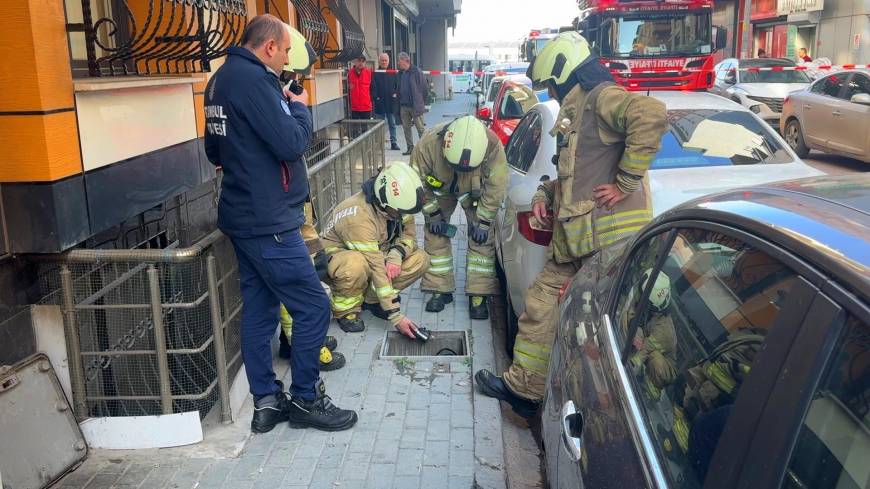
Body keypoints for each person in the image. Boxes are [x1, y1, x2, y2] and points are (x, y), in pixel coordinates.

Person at [475, 31, 667, 418]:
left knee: (617, 328)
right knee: (541, 304)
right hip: (577, 243)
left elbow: (652, 116)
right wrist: (546, 197)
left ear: (565, 74)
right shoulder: (579, 111)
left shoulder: (601, 98)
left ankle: (631, 411)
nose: (552, 93)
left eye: (552, 85)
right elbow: (573, 175)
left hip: (609, 244)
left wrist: (625, 183)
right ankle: (525, 390)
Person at [203, 14, 357, 433]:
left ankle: (266, 403)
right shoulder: (254, 82)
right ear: (269, 46)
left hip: (243, 215)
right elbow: (292, 142)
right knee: (313, 305)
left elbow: (213, 150)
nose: (288, 58)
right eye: (286, 50)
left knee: (259, 310)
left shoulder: (219, 81)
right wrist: (299, 108)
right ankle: (306, 399)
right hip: (268, 220)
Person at [412, 115, 508, 320]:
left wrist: (483, 221)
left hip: (474, 191)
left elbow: (496, 186)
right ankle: (440, 289)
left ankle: (478, 295)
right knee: (434, 233)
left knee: (481, 238)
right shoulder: (427, 145)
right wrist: (432, 214)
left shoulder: (491, 145)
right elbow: (416, 184)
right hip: (439, 190)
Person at [320, 161, 429, 336]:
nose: (403, 217)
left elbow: (409, 237)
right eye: (398, 213)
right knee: (355, 264)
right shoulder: (358, 215)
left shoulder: (398, 204)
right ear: (382, 202)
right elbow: (376, 266)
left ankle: (372, 301)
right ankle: (346, 311)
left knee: (420, 259)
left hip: (373, 252)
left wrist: (396, 254)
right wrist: (396, 316)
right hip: (338, 259)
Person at [277, 202, 345, 371]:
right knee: (297, 291)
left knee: (312, 278)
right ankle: (306, 350)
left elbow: (305, 227)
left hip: (295, 216)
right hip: (282, 225)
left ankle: (298, 343)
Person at [397, 52, 427, 155]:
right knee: (406, 129)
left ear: (406, 60)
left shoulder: (416, 72)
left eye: (399, 60)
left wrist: (420, 102)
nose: (398, 63)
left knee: (420, 129)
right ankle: (410, 148)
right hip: (404, 106)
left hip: (415, 106)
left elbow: (424, 88)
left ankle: (424, 150)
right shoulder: (401, 73)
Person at [372, 52, 400, 150]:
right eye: (382, 60)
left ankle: (394, 143)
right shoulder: (375, 73)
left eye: (385, 60)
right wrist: (376, 98)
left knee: (392, 124)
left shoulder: (393, 72)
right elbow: (373, 87)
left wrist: (396, 94)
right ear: (379, 61)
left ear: (388, 61)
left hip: (390, 103)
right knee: (379, 125)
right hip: (380, 103)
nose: (384, 62)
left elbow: (397, 85)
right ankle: (380, 144)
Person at [348, 55, 373, 119]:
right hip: (354, 108)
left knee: (365, 129)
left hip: (366, 107)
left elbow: (372, 89)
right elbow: (348, 90)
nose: (361, 63)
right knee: (355, 128)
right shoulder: (350, 73)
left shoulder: (369, 73)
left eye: (363, 61)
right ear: (355, 62)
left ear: (365, 63)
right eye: (359, 61)